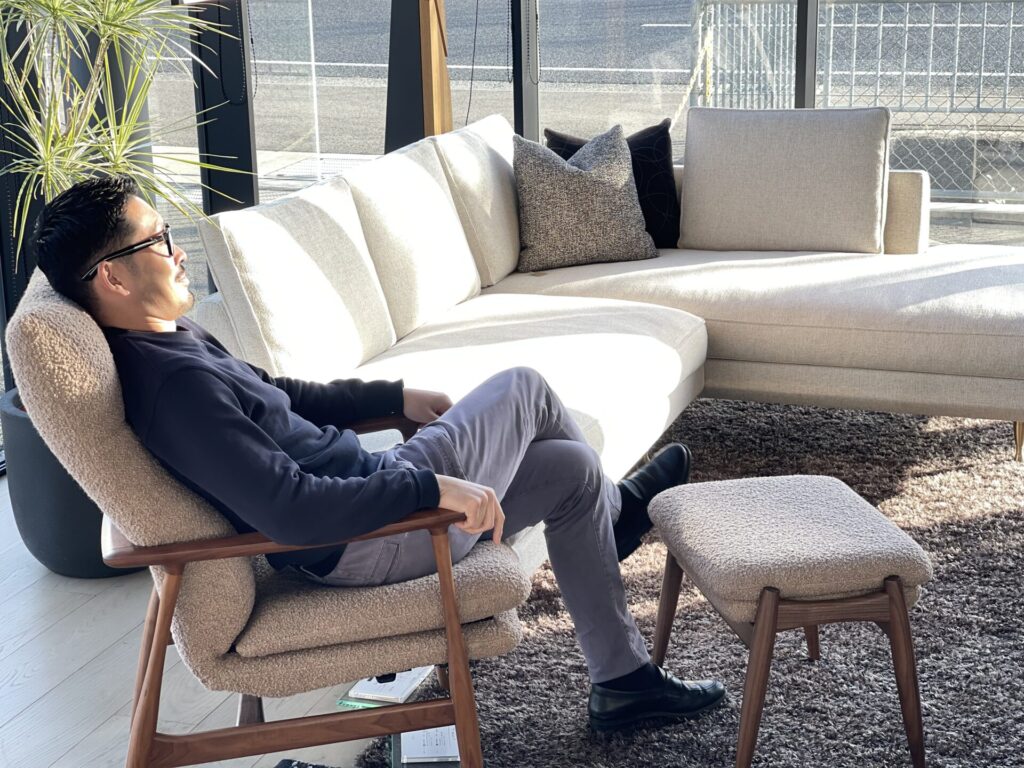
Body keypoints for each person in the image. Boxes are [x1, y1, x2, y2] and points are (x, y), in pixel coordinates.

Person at [33, 176, 726, 733]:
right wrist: (431, 490)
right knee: (525, 387)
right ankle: (619, 514)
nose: (178, 250)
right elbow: (291, 511)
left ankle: (622, 681)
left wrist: (393, 394)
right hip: (373, 540)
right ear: (112, 278)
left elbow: (280, 395)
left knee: (571, 472)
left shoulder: (170, 337)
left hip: (373, 499)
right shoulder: (174, 390)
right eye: (158, 240)